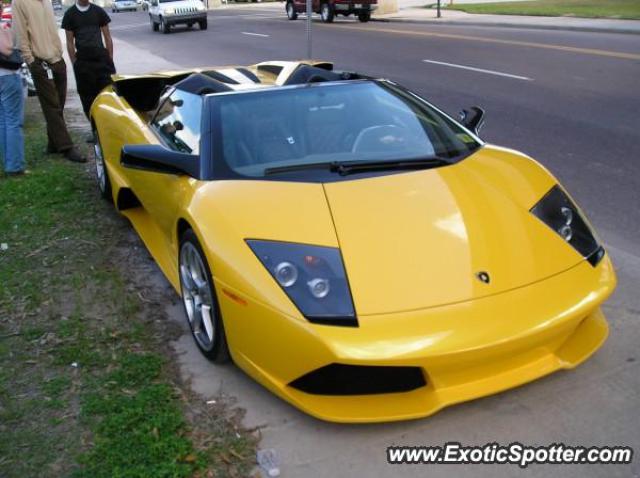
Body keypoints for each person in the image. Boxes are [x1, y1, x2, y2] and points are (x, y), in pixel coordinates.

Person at [12, 0, 86, 163]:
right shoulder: (19, 2)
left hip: (57, 59)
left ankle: (53, 144)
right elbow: (20, 33)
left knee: (59, 103)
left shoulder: (46, 1)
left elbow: (51, 29)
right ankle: (67, 147)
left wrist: (59, 54)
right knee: (51, 105)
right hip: (38, 61)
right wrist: (30, 60)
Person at [62, 0, 115, 123]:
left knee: (107, 94)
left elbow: (107, 37)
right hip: (83, 63)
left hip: (102, 61)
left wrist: (109, 59)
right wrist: (75, 63)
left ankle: (109, 125)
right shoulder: (70, 15)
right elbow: (69, 42)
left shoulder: (98, 11)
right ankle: (95, 128)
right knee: (87, 98)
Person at [0, 7, 25, 176]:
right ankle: (15, 165)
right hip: (8, 76)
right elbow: (7, 49)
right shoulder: (2, 28)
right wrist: (9, 34)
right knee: (13, 121)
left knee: (2, 121)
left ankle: (7, 162)